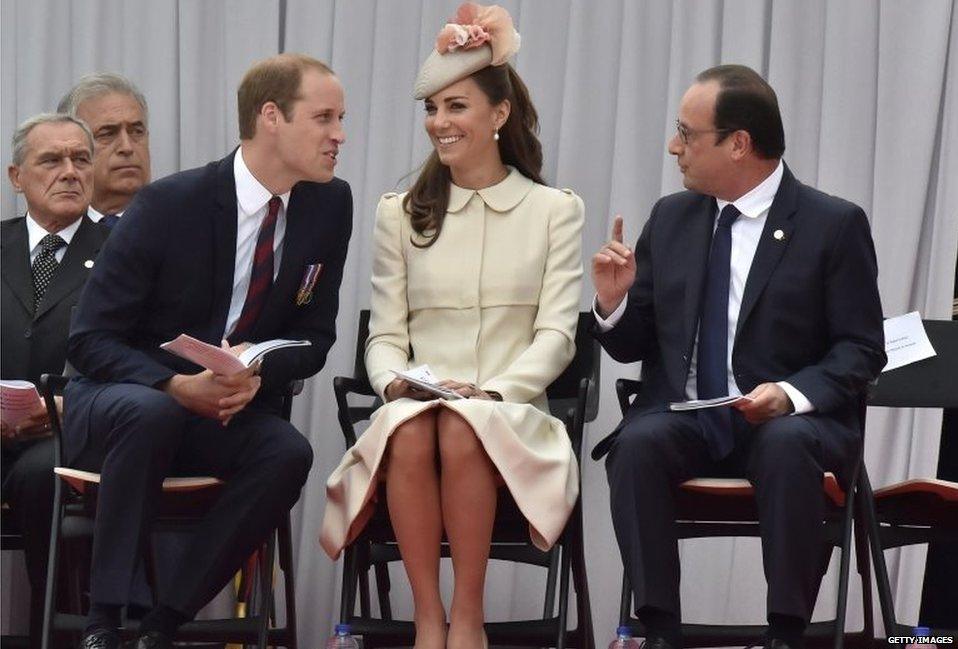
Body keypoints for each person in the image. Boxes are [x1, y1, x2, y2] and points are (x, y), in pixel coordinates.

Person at [590, 64, 885, 649]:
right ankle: (660, 630)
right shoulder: (672, 218)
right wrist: (612, 301)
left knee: (785, 443)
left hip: (790, 423)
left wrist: (791, 395)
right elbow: (632, 345)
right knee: (636, 445)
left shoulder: (832, 224)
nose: (674, 146)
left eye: (686, 133)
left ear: (738, 144)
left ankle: (786, 632)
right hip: (689, 416)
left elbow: (861, 348)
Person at [65, 53, 351, 649]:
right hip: (126, 402)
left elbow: (316, 336)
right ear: (271, 117)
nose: (338, 135)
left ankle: (164, 622)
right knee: (155, 412)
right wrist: (173, 386)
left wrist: (257, 368)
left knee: (286, 452)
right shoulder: (171, 204)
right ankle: (104, 622)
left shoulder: (330, 204)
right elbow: (89, 339)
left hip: (220, 408)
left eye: (340, 119)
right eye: (323, 118)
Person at [321, 5, 583, 649]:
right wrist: (392, 387)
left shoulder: (555, 211)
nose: (439, 122)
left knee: (463, 429)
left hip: (512, 411)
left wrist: (493, 393)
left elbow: (557, 336)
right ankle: (427, 619)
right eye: (432, 109)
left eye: (456, 107)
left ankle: (468, 617)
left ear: (499, 116)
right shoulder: (399, 214)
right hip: (418, 404)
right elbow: (384, 336)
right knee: (415, 432)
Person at [1, 112, 106, 648]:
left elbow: (136, 356)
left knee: (44, 473)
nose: (69, 171)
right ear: (17, 176)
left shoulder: (122, 250)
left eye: (80, 159)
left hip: (74, 430)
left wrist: (68, 408)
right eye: (51, 160)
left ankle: (59, 633)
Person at [57, 72, 152, 227]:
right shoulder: (48, 238)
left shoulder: (187, 229)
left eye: (136, 131)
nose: (127, 147)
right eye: (107, 134)